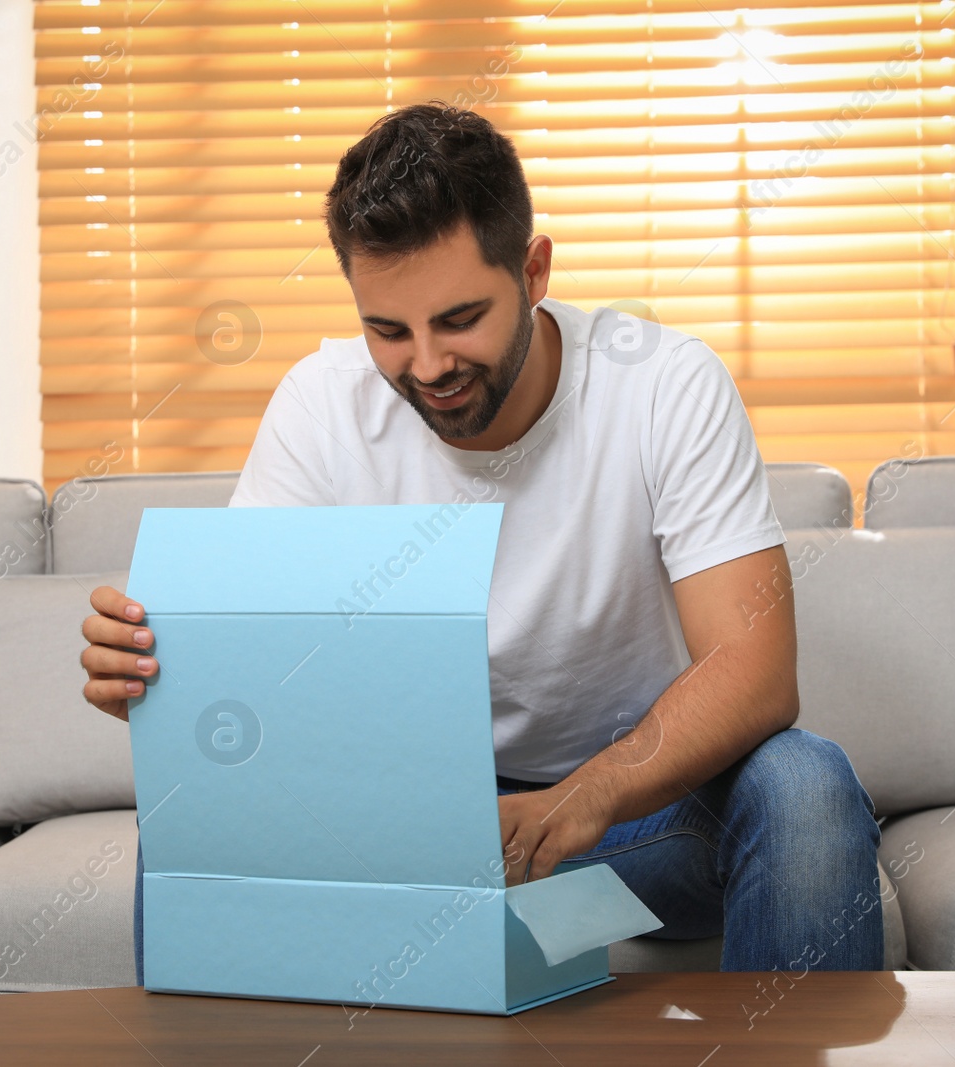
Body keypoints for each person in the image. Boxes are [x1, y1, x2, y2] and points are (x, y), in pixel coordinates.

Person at [80, 102, 883, 984]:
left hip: (626, 820)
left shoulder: (662, 386)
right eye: (389, 330)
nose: (426, 366)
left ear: (533, 270)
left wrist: (591, 794)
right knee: (190, 808)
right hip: (404, 826)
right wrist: (168, 682)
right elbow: (263, 668)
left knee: (805, 782)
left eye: (459, 319)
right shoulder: (320, 403)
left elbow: (755, 671)